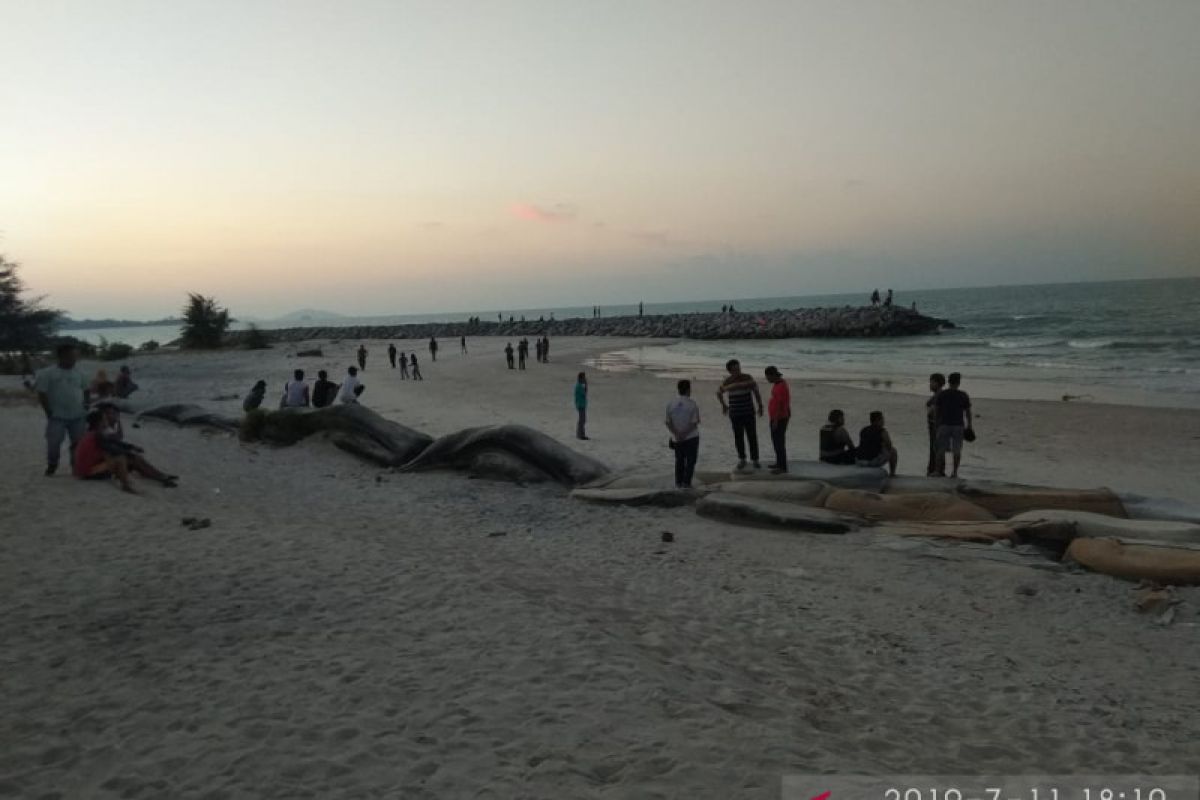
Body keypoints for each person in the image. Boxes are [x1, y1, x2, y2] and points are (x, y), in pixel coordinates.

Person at [74, 406, 176, 492]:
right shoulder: (97, 435)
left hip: (84, 470)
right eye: (105, 419)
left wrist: (131, 447)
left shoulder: (92, 433)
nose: (107, 421)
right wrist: (129, 452)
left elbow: (114, 442)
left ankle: (160, 477)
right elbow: (112, 448)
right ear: (99, 422)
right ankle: (127, 485)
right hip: (87, 472)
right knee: (122, 458)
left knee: (132, 458)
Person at [34, 343, 89, 476]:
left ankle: (75, 465)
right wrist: (48, 411)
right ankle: (52, 464)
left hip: (78, 415)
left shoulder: (80, 372)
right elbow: (42, 393)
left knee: (78, 442)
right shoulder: (47, 373)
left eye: (75, 356)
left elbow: (86, 390)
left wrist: (86, 404)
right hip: (57, 416)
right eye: (70, 356)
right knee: (53, 442)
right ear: (61, 356)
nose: (73, 359)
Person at [716, 359, 763, 469]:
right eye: (735, 369)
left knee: (752, 436)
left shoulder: (748, 377)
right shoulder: (727, 381)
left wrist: (760, 406)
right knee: (738, 437)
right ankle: (742, 459)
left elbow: (756, 391)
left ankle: (755, 459)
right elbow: (718, 393)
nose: (738, 371)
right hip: (735, 414)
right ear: (730, 371)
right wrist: (723, 405)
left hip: (748, 412)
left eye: (739, 368)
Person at [934, 372, 973, 478]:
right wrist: (969, 425)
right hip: (958, 425)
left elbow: (937, 411)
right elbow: (968, 412)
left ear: (948, 381)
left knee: (940, 449)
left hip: (944, 424)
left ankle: (938, 471)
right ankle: (954, 472)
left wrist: (936, 423)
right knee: (957, 450)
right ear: (958, 382)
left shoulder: (942, 394)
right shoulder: (963, 395)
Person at [665, 379, 701, 489]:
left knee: (679, 461)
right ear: (688, 390)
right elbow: (694, 423)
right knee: (690, 461)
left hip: (676, 438)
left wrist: (677, 433)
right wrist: (684, 434)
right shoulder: (692, 404)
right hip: (691, 437)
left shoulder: (670, 403)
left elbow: (668, 422)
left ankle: (678, 483)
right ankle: (686, 483)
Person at [764, 366, 791, 473]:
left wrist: (775, 420)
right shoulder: (779, 384)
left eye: (767, 377)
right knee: (776, 442)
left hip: (779, 418)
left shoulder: (780, 386)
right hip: (779, 417)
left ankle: (782, 467)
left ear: (772, 375)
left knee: (779, 442)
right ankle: (779, 463)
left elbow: (780, 404)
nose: (767, 379)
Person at [857, 411, 899, 476]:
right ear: (877, 420)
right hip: (870, 462)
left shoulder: (864, 430)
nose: (883, 421)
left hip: (859, 460)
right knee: (893, 451)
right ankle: (892, 474)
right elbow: (889, 446)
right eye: (882, 419)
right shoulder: (882, 431)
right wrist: (883, 445)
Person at [925, 372, 946, 476]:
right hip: (935, 425)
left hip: (936, 425)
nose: (930, 384)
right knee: (935, 448)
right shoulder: (939, 395)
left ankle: (936, 470)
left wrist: (930, 411)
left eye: (932, 382)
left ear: (937, 383)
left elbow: (934, 411)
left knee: (936, 448)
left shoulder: (939, 395)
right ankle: (936, 469)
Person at [574, 372, 589, 440]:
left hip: (580, 404)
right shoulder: (579, 386)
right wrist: (586, 385)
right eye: (584, 378)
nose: (584, 379)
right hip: (581, 404)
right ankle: (580, 434)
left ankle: (580, 434)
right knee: (582, 420)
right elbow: (585, 393)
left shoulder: (578, 385)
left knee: (582, 420)